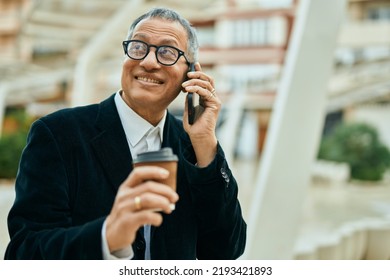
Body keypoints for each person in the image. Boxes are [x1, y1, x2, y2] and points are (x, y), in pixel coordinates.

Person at [5, 7, 246, 260]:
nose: (149, 62)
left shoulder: (193, 147)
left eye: (167, 52)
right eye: (138, 46)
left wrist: (205, 145)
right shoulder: (57, 134)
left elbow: (225, 251)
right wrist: (107, 237)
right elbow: (24, 253)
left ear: (191, 73)